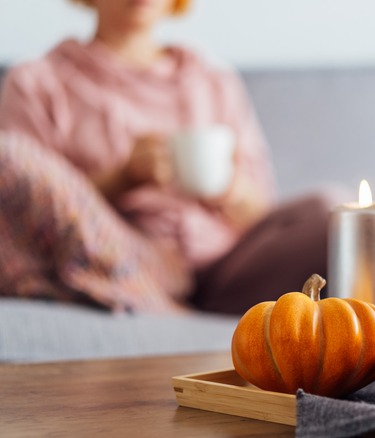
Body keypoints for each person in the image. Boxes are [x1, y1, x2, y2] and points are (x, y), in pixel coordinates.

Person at [0, 0, 339, 314]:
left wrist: (226, 188)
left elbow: (263, 212)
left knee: (336, 212)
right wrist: (123, 179)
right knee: (9, 155)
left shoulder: (214, 81)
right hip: (124, 254)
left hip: (227, 269)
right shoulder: (36, 82)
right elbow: (25, 207)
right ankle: (147, 295)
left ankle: (161, 307)